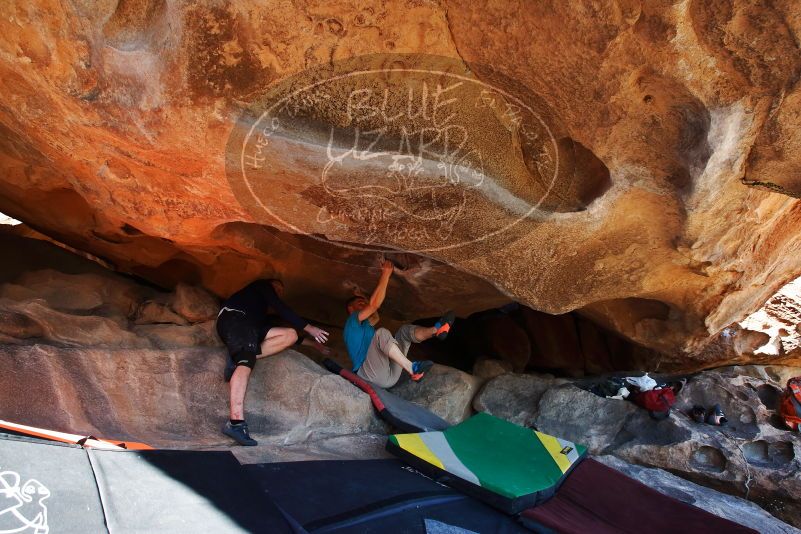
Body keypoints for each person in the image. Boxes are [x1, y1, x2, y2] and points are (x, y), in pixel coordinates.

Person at [216, 279, 329, 446]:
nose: (278, 291)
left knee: (290, 334)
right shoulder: (260, 286)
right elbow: (281, 307)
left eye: (280, 290)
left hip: (250, 326)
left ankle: (237, 360)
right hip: (235, 318)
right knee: (246, 364)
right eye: (277, 287)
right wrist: (309, 327)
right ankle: (236, 424)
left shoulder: (257, 311)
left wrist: (313, 345)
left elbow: (283, 335)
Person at [344, 260, 455, 389]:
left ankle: (436, 329)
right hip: (368, 374)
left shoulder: (365, 326)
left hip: (388, 376)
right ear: (351, 308)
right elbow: (373, 306)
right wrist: (386, 274)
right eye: (360, 303)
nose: (364, 305)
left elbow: (375, 315)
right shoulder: (352, 321)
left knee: (404, 332)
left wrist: (362, 296)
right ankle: (413, 368)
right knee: (381, 333)